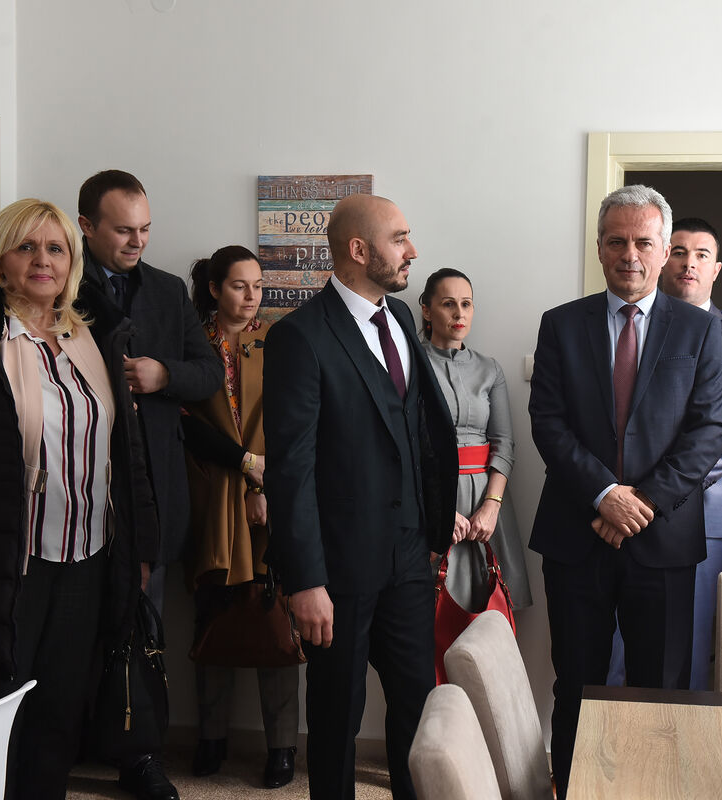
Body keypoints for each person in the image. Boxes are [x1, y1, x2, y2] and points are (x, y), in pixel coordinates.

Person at [0, 199, 158, 799]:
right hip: (1, 563)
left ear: (72, 261)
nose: (43, 260)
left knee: (57, 718)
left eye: (55, 248)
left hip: (87, 558)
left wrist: (139, 549)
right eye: (26, 247)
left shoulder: (92, 335)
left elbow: (127, 455)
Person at [528, 185, 722, 798]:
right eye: (616, 241)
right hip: (576, 534)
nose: (630, 254)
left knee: (659, 689)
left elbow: (708, 431)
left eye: (644, 242)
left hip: (662, 540)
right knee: (576, 685)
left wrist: (638, 504)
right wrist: (603, 494)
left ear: (665, 250)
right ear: (598, 247)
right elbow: (548, 423)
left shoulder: (700, 330)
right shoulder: (560, 324)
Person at [263, 194, 457, 800]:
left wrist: (431, 530)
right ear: (357, 250)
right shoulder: (298, 337)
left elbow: (416, 432)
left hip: (409, 559)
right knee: (336, 716)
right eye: (399, 239)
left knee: (417, 708)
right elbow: (291, 469)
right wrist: (305, 581)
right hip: (338, 570)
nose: (412, 250)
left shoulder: (398, 317)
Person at [78, 169, 222, 800]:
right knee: (69, 628)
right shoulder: (57, 282)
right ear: (86, 226)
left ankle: (140, 755)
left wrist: (165, 375)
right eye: (123, 231)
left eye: (145, 230)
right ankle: (67, 742)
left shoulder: (166, 290)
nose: (137, 241)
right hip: (76, 489)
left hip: (153, 493)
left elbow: (208, 372)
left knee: (145, 625)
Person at [607, 217, 722, 691]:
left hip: (705, 509)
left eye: (701, 255)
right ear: (661, 258)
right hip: (617, 504)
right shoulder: (628, 322)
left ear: (716, 268)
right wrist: (629, 495)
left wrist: (669, 487)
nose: (688, 263)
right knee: (613, 646)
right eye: (678, 251)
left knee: (687, 643)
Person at [182, 245, 299, 789]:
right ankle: (211, 737)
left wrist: (261, 484)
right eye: (238, 285)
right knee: (213, 614)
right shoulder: (192, 344)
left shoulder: (277, 342)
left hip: (270, 498)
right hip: (208, 500)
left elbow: (288, 420)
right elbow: (184, 423)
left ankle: (282, 747)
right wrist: (243, 469)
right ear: (214, 288)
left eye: (258, 285)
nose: (252, 296)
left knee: (273, 615)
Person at [418, 268, 533, 611]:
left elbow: (504, 443)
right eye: (448, 304)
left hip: (488, 502)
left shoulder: (490, 368)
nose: (459, 313)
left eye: (466, 304)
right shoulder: (410, 365)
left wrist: (491, 507)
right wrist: (438, 512)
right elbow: (406, 445)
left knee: (491, 614)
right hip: (432, 499)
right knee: (431, 610)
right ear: (426, 310)